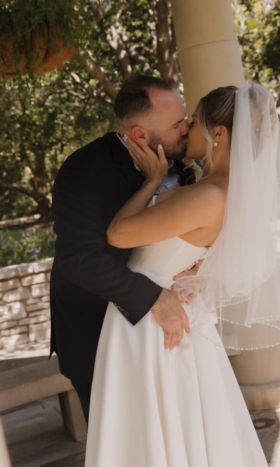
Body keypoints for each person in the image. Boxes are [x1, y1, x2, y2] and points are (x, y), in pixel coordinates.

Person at [83, 83, 280, 467]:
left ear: (218, 134)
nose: (186, 132)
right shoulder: (229, 192)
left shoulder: (207, 196)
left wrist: (153, 179)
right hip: (176, 308)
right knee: (190, 432)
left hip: (148, 324)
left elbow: (117, 234)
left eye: (193, 123)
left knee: (150, 436)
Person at [49, 75, 200, 423]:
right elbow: (80, 260)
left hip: (170, 336)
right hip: (97, 334)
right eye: (177, 124)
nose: (187, 129)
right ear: (140, 136)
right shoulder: (83, 170)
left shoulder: (184, 159)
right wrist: (157, 299)